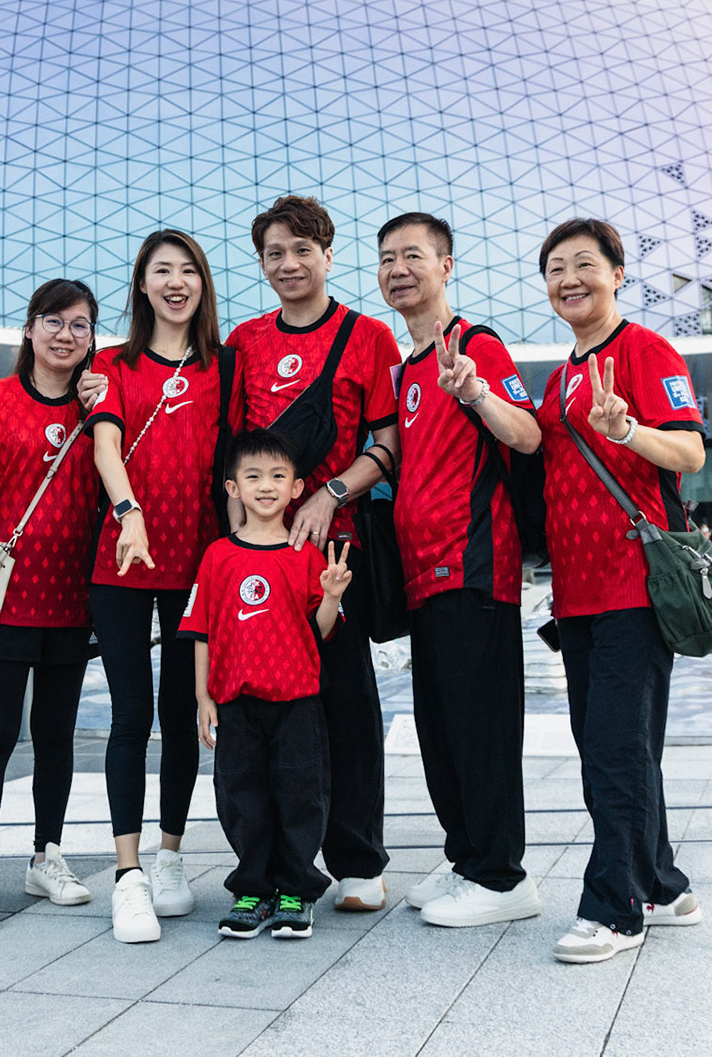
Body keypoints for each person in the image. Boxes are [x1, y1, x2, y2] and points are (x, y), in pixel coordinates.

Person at [536, 218, 708, 965]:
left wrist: (630, 430)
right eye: (554, 269)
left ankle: (615, 908)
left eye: (584, 265)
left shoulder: (645, 350)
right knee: (617, 748)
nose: (569, 279)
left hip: (634, 588)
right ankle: (664, 886)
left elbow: (692, 452)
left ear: (617, 274)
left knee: (613, 750)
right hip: (577, 595)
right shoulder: (561, 373)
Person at [224, 194, 399, 913]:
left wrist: (330, 492)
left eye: (302, 250)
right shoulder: (244, 341)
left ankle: (357, 859)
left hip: (337, 555)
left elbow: (388, 443)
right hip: (262, 564)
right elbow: (229, 456)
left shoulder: (369, 338)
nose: (289, 264)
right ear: (262, 263)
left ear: (328, 255)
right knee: (266, 715)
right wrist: (240, 546)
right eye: (275, 253)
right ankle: (270, 868)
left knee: (347, 704)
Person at [374, 213, 544, 928]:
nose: (398, 269)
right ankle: (467, 854)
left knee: (480, 726)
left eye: (414, 255)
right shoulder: (406, 367)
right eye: (387, 259)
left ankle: (503, 878)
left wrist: (475, 392)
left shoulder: (474, 345)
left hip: (474, 567)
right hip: (423, 576)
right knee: (440, 727)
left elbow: (529, 434)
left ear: (446, 265)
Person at [78, 230, 223, 943]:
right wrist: (128, 512)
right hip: (123, 561)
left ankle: (170, 855)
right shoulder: (112, 366)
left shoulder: (222, 369)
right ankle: (128, 873)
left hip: (197, 563)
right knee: (132, 711)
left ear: (202, 284)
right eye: (161, 270)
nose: (175, 281)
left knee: (181, 712)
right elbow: (107, 442)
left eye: (187, 270)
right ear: (141, 284)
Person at [0, 279, 103, 930]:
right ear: (31, 329)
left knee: (56, 735)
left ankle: (47, 857)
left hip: (73, 597)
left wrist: (102, 410)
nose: (66, 335)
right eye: (54, 321)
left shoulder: (99, 407)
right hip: (5, 598)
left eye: (80, 325)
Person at [182, 428, 352, 939]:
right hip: (236, 702)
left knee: (300, 794)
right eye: (253, 476)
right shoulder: (218, 556)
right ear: (232, 488)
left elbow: (320, 631)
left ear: (298, 488)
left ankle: (296, 890)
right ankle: (252, 889)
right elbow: (200, 629)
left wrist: (331, 595)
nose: (266, 486)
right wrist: (203, 696)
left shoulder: (306, 555)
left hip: (296, 700)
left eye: (278, 476)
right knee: (241, 795)